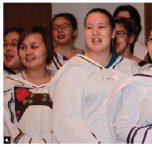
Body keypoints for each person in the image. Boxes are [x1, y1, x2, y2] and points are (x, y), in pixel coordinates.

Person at [48, 8, 140, 143]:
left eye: (101, 27)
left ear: (113, 33)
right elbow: (65, 122)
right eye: (89, 27)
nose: (95, 33)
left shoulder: (130, 68)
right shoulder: (72, 70)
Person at [4, 26, 55, 143]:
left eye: (34, 47)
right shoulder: (7, 85)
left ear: (47, 50)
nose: (28, 52)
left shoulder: (62, 83)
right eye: (23, 47)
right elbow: (7, 130)